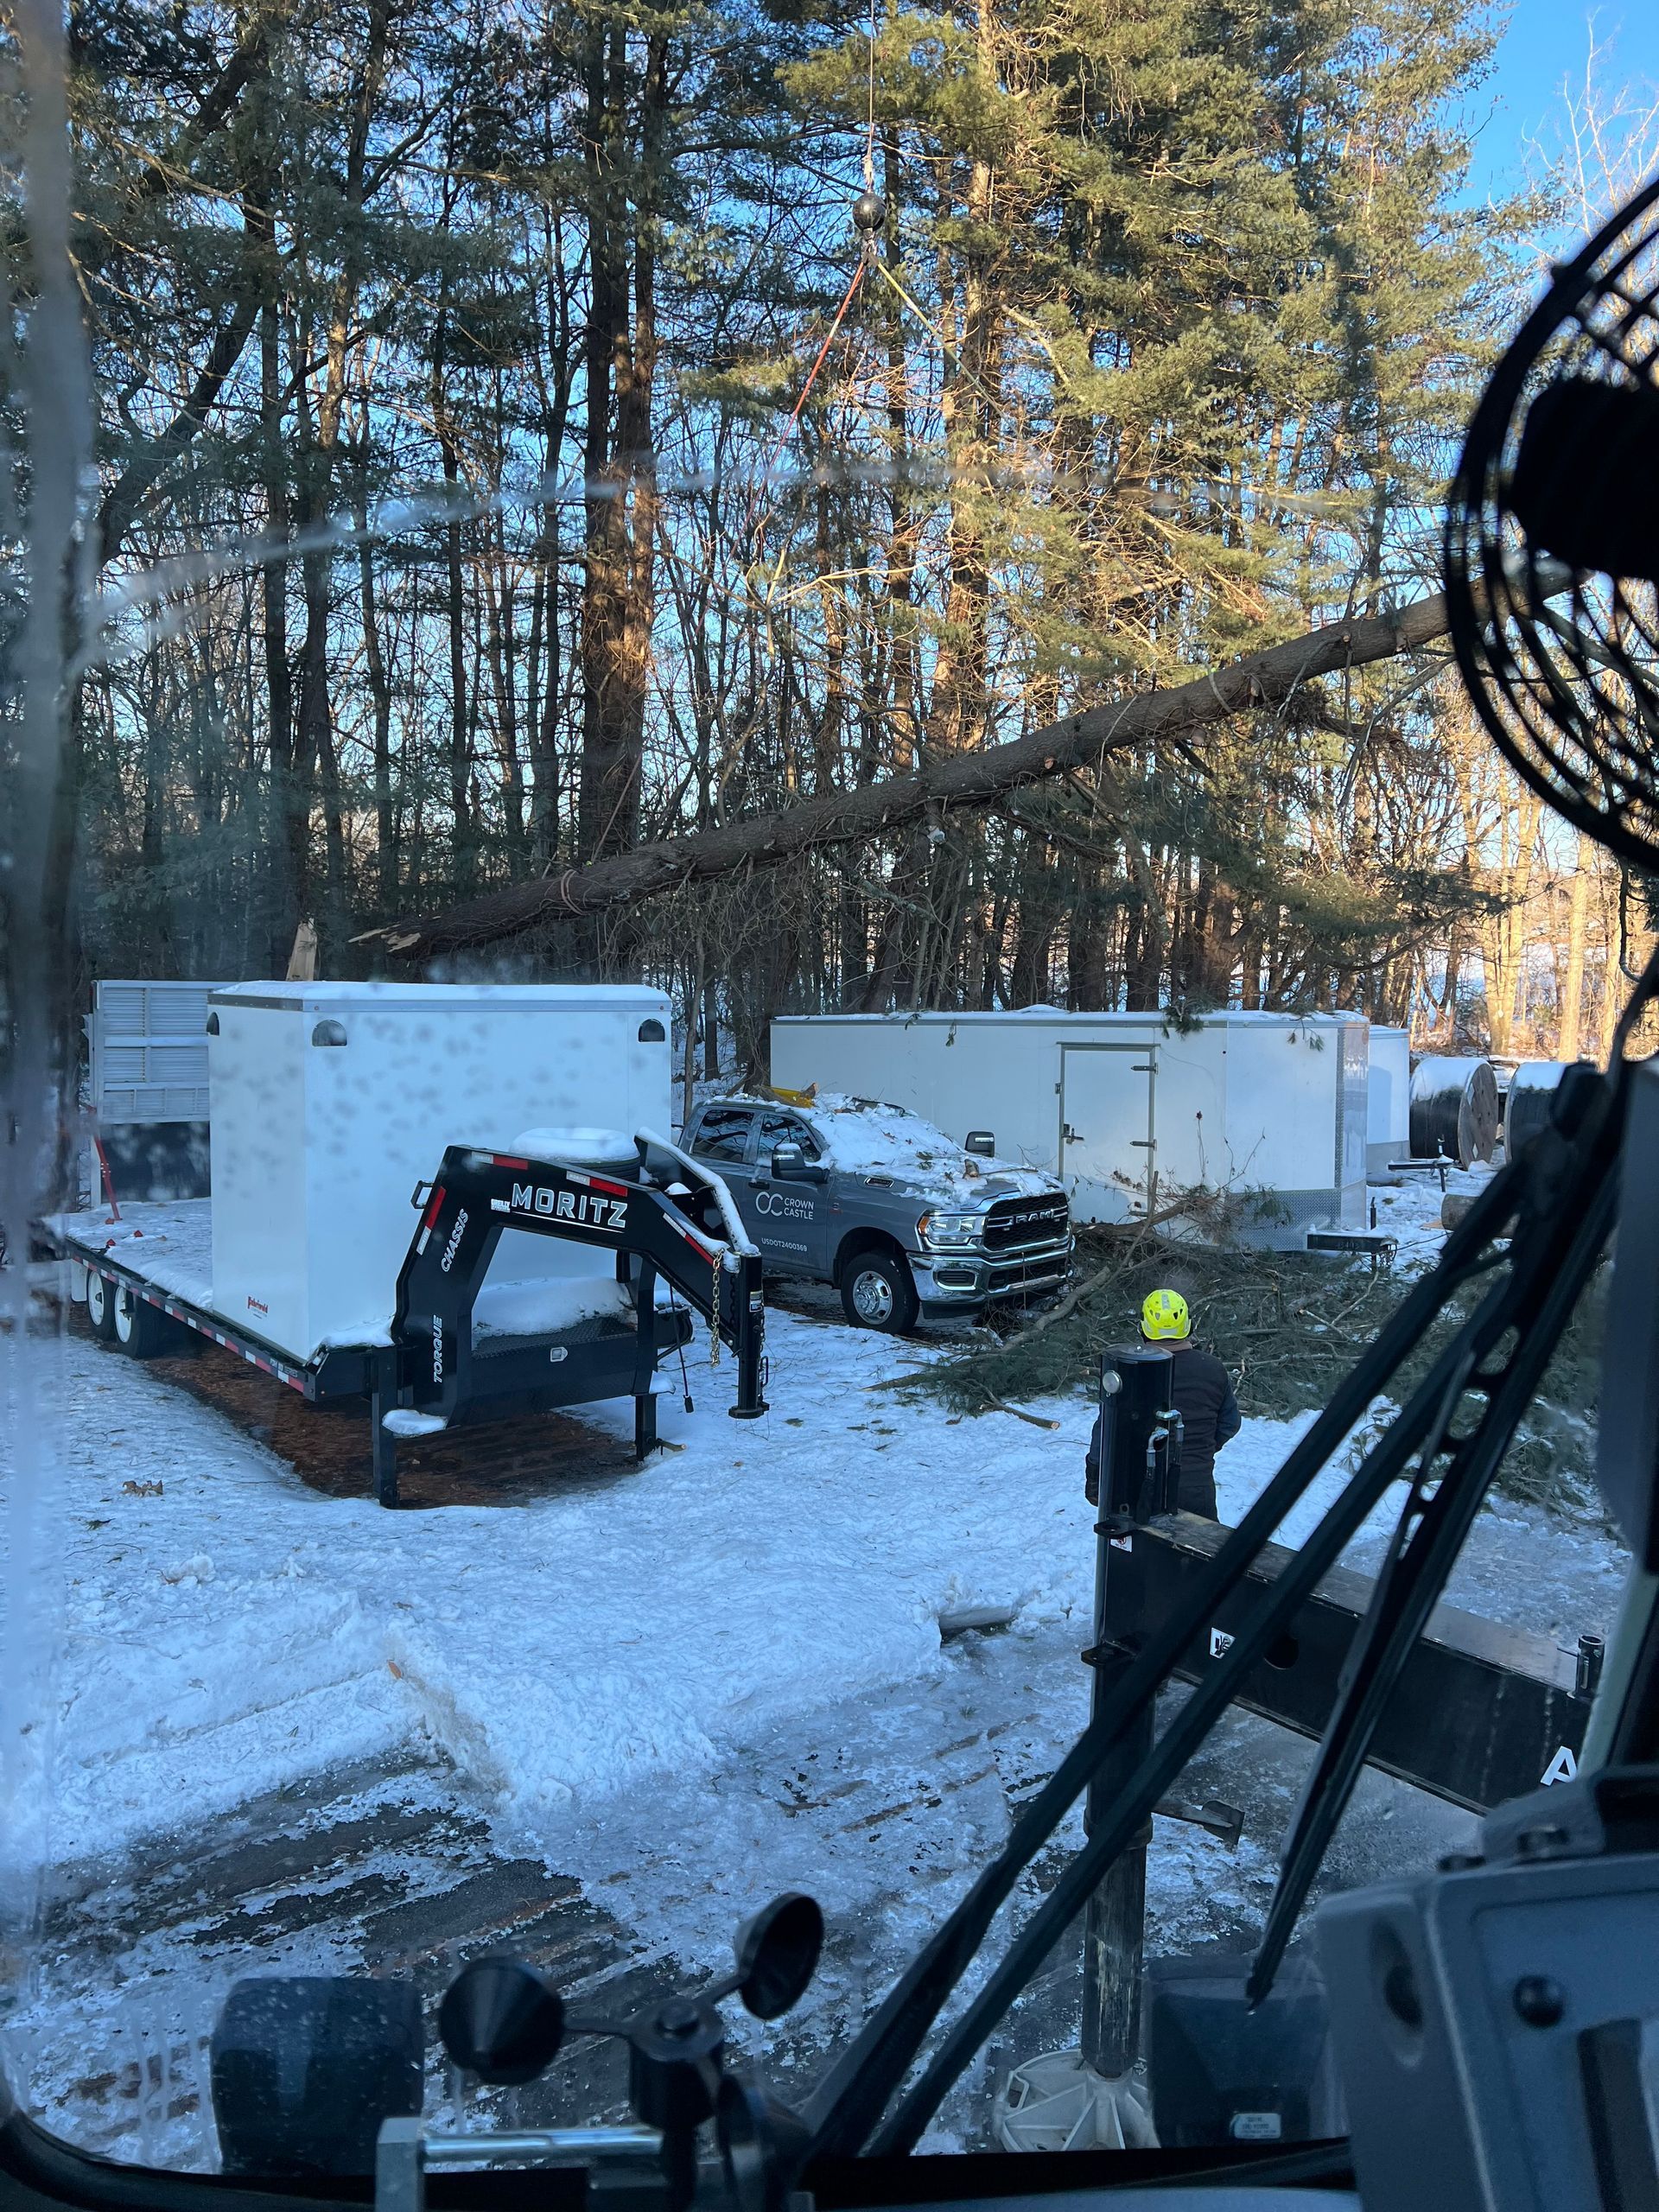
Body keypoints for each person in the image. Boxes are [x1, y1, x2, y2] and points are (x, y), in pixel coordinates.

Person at [1084, 1288, 1241, 1520]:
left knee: (1140, 1554)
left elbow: (1105, 1432)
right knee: (1200, 1552)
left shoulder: (1130, 1371)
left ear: (1143, 1328)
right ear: (1188, 1326)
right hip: (1196, 1485)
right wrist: (1200, 1448)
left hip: (1138, 1488)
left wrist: (1095, 1475)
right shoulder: (1212, 1368)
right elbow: (1230, 1423)